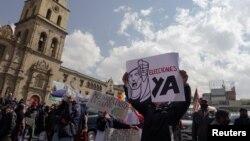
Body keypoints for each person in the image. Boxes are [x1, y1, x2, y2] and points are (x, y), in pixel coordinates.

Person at [122, 70, 191, 141]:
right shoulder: (148, 109)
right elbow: (134, 101)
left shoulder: (173, 111)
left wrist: (184, 84)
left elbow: (185, 102)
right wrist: (127, 85)